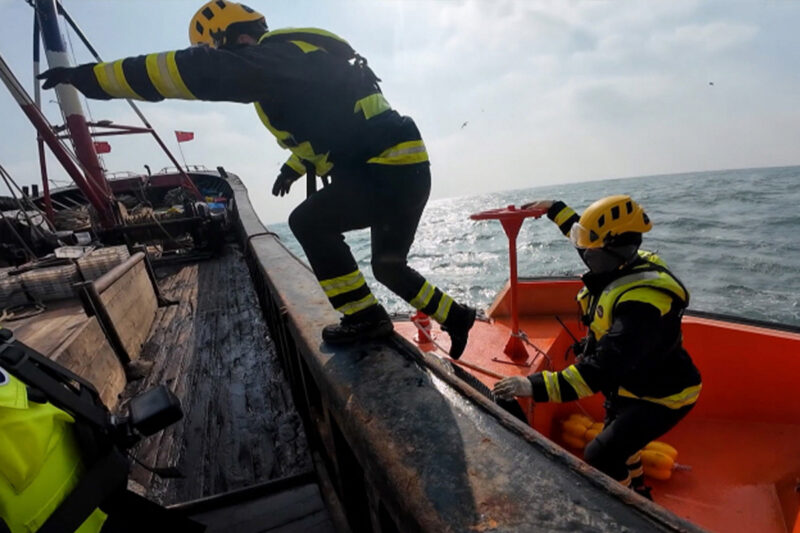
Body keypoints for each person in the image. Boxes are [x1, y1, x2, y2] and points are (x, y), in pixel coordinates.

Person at [38, 1, 476, 357]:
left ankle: (365, 319)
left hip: (386, 171)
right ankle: (457, 318)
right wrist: (292, 168)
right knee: (387, 266)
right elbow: (336, 130)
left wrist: (88, 79)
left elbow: (195, 72)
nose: (222, 59)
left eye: (219, 50)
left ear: (228, 39)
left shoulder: (277, 57)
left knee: (309, 222)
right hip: (405, 169)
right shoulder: (300, 63)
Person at [492, 195, 702, 497]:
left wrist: (531, 385)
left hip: (663, 397)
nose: (583, 254)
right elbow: (584, 236)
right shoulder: (617, 260)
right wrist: (554, 208)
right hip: (631, 384)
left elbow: (600, 371)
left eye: (591, 250)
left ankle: (630, 508)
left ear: (614, 249)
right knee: (621, 442)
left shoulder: (642, 308)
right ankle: (638, 487)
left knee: (601, 454)